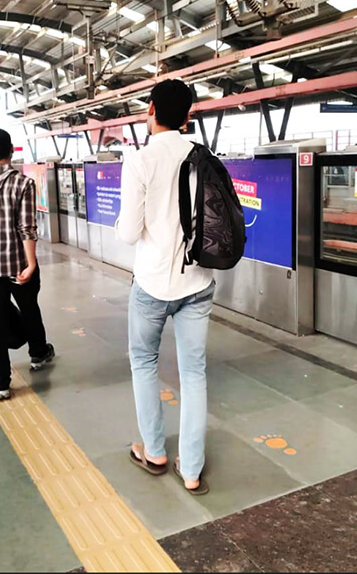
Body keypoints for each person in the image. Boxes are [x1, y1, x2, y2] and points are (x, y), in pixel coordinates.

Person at [116, 79, 215, 495]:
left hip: (153, 283)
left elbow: (128, 233)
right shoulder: (203, 156)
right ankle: (191, 470)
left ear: (151, 110)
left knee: (144, 362)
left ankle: (154, 451)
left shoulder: (140, 161)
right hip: (198, 280)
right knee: (194, 373)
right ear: (188, 116)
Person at [0, 129, 55, 401]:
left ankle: (0, 383)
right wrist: (31, 263)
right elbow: (27, 227)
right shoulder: (22, 183)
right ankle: (38, 353)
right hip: (18, 263)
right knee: (29, 308)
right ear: (12, 149)